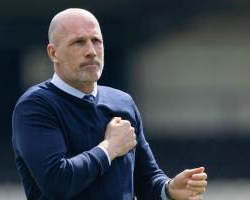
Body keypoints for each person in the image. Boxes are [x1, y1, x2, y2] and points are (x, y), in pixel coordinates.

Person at [12, 8, 207, 200]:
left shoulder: (123, 103)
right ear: (53, 53)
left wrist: (169, 190)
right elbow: (58, 183)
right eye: (78, 42)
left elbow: (147, 180)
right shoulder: (36, 105)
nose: (91, 51)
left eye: (96, 41)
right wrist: (109, 148)